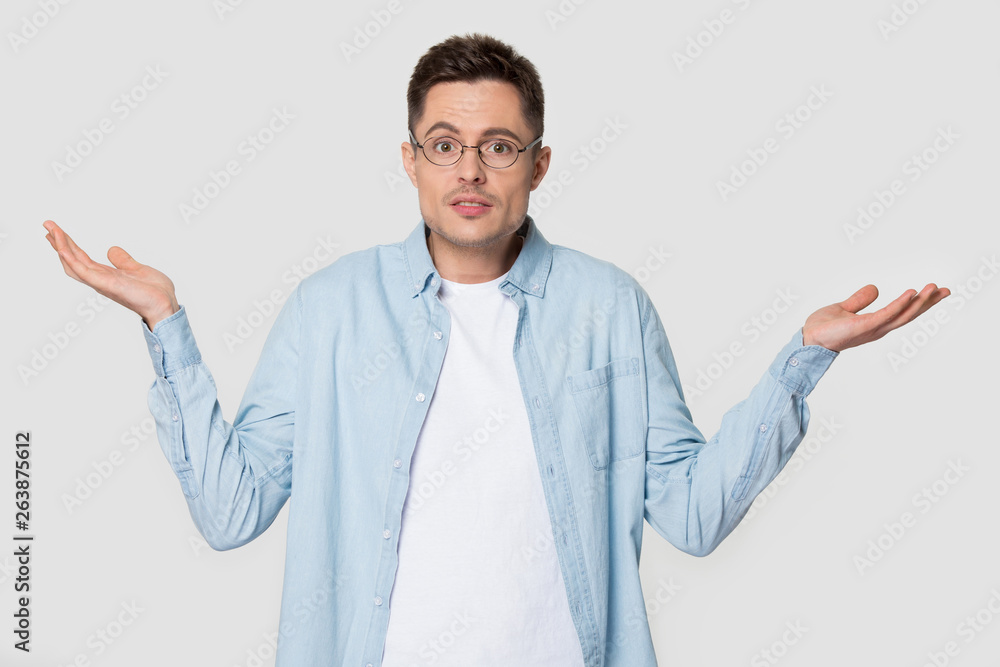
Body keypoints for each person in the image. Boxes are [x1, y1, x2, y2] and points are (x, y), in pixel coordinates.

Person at [42, 32, 949, 667]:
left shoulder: (609, 308)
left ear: (539, 164)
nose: (469, 170)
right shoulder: (329, 311)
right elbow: (230, 510)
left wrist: (803, 360)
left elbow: (692, 516)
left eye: (499, 146)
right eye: (444, 144)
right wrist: (165, 325)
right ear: (410, 160)